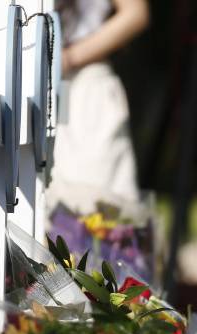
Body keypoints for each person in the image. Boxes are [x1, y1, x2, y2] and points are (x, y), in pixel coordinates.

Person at [52, 0, 148, 202]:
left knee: (96, 203)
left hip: (85, 89)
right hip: (22, 89)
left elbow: (135, 13)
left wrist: (70, 57)